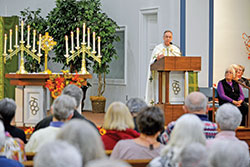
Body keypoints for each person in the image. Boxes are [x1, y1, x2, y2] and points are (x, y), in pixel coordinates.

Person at [145, 30, 181, 104]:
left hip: (172, 76)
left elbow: (180, 62)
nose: (168, 38)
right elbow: (152, 62)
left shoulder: (175, 49)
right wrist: (157, 59)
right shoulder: (158, 48)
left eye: (169, 37)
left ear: (172, 38)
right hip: (159, 76)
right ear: (163, 38)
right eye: (166, 37)